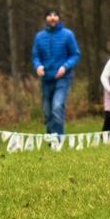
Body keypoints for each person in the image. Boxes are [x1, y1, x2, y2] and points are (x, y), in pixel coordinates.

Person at [30, 8, 81, 137]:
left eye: (55, 15)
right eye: (49, 15)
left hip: (63, 78)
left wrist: (65, 67)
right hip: (46, 79)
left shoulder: (68, 35)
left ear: (58, 18)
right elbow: (35, 55)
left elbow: (75, 54)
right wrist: (38, 66)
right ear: (46, 19)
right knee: (47, 112)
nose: (52, 18)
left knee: (57, 107)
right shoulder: (39, 37)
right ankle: (50, 136)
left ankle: (57, 139)